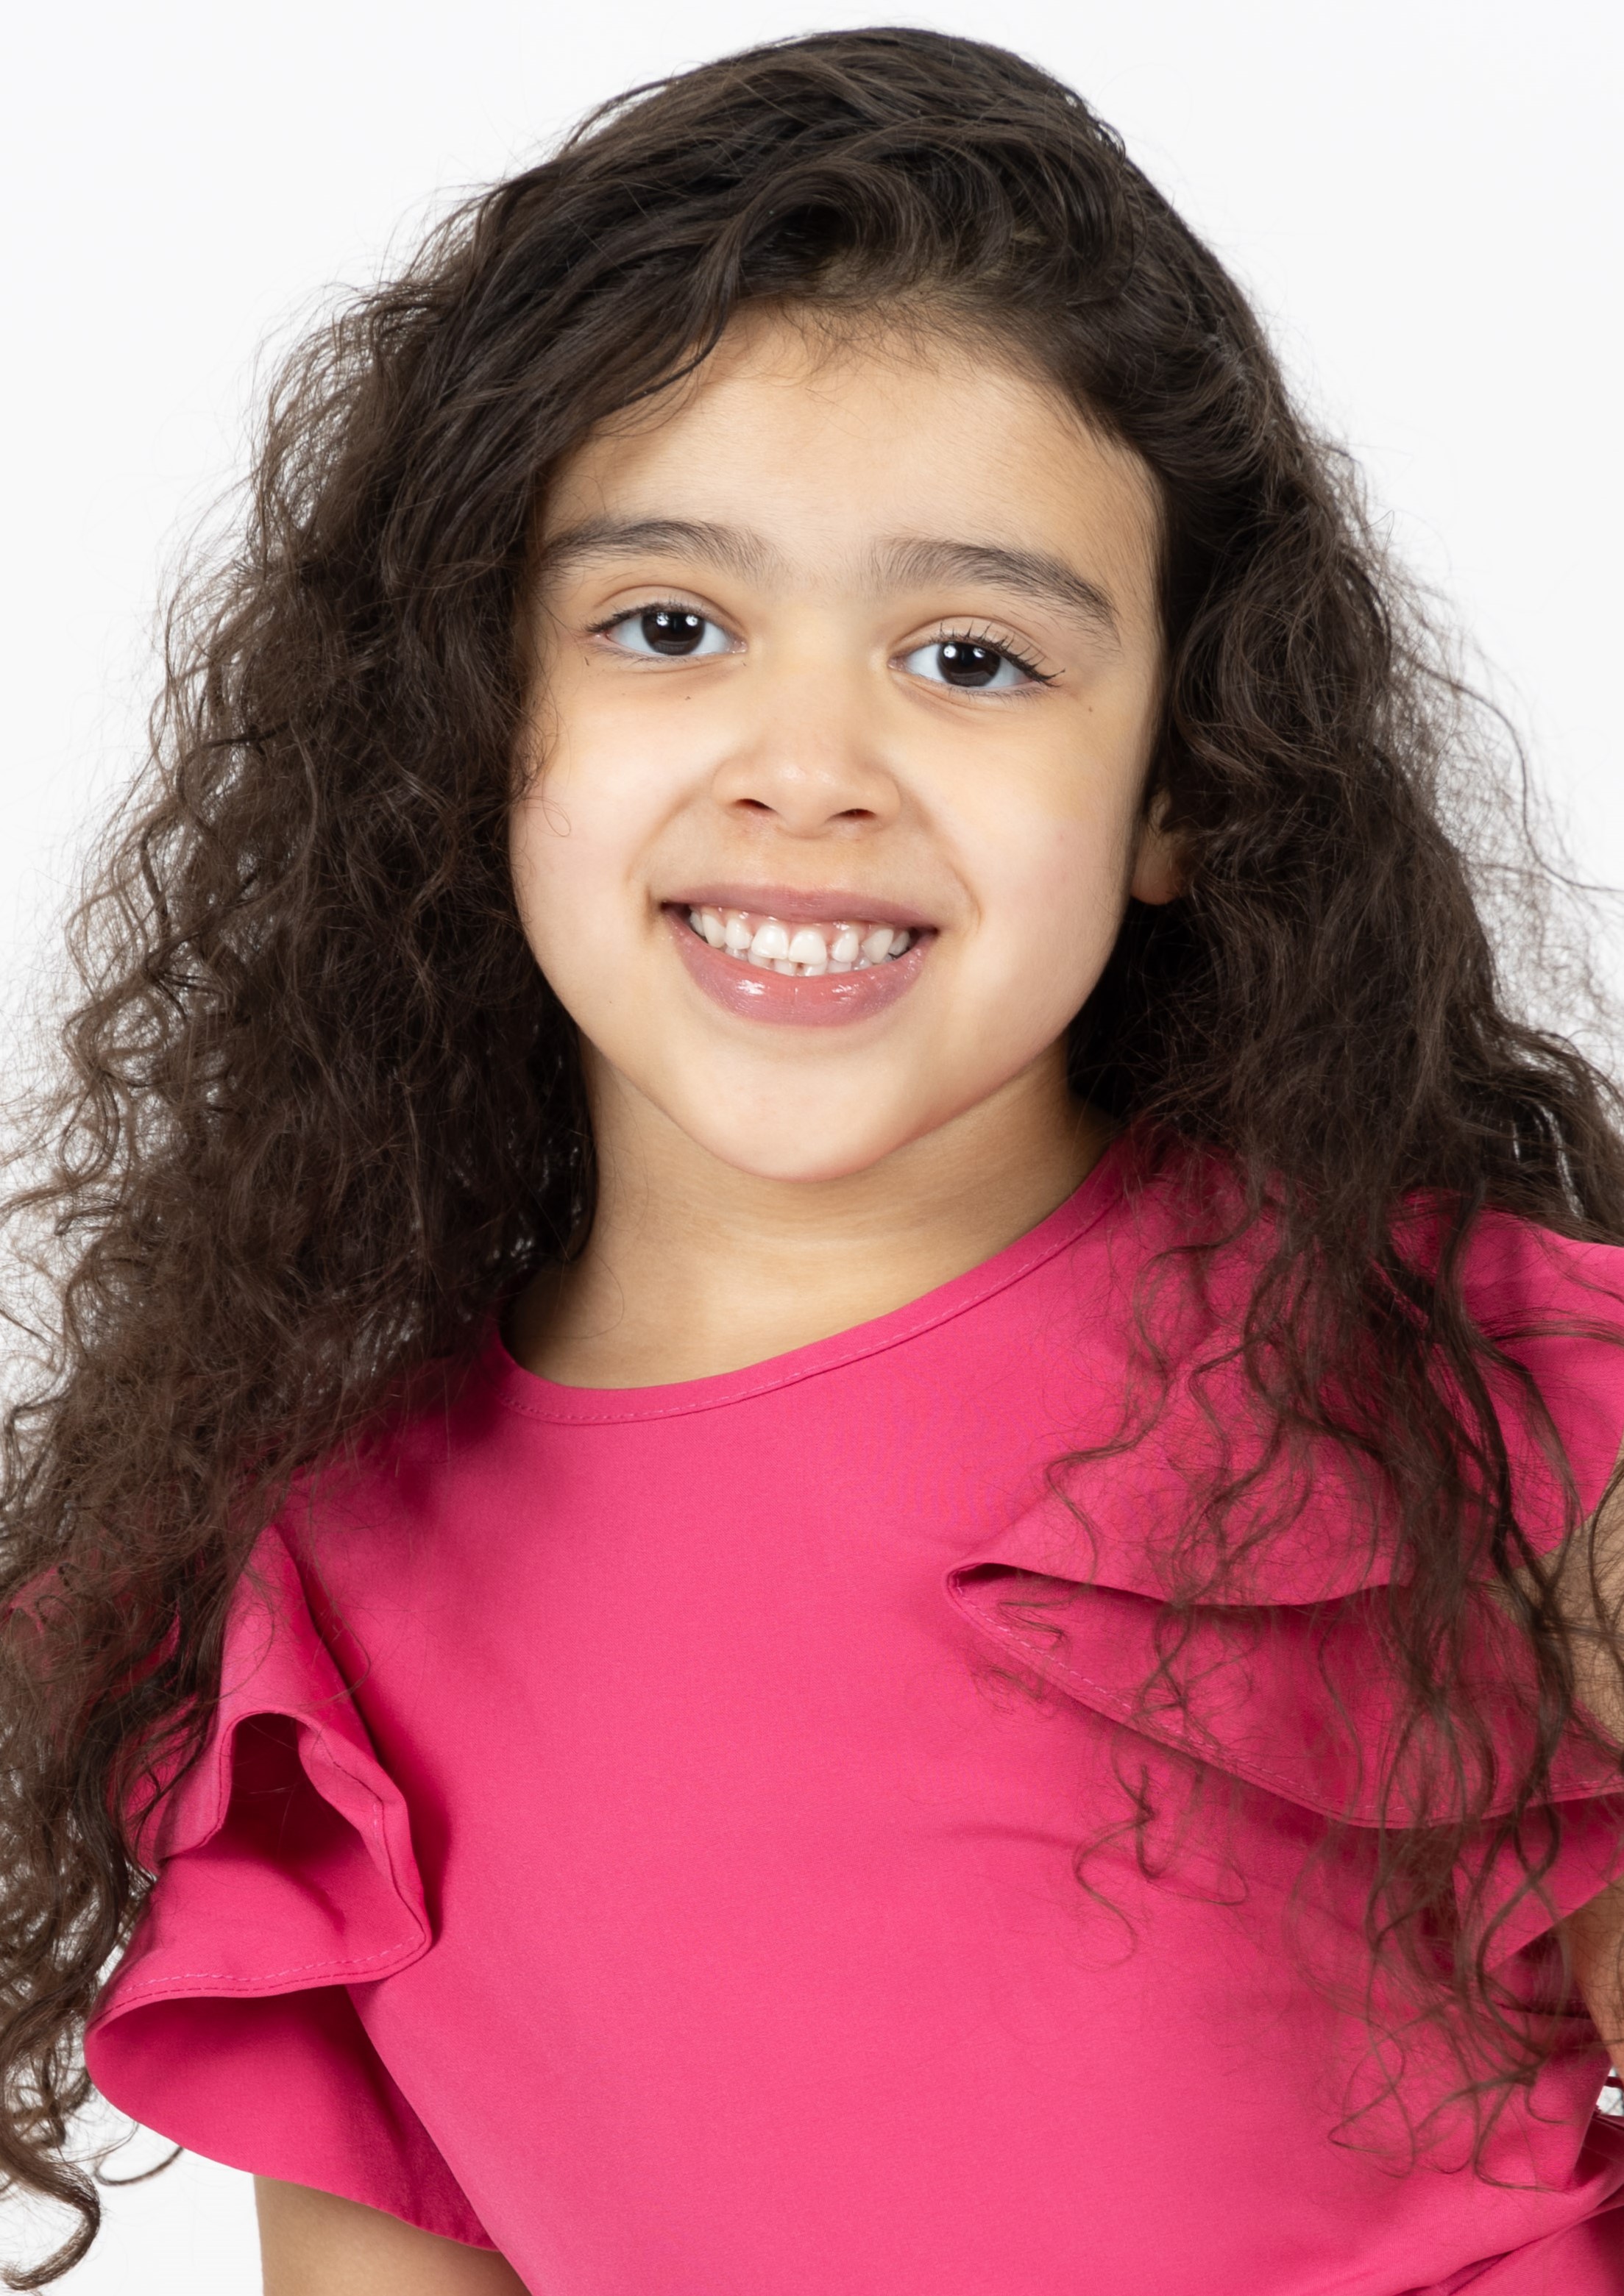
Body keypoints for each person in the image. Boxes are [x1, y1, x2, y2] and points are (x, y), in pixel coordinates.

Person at [4, 25, 1624, 2294]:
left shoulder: (1480, 1409)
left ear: (1181, 789)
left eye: (972, 656)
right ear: (476, 720)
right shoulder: (313, 1602)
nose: (811, 765)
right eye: (671, 626)